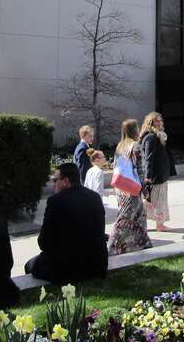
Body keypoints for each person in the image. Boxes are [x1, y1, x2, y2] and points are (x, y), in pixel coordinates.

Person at [24, 163, 107, 283]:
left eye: (55, 180)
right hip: (96, 264)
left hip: (67, 268)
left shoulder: (55, 201)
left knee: (30, 265)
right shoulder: (95, 197)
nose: (53, 185)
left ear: (65, 181)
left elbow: (44, 242)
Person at [108, 119, 152, 255]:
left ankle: (140, 244)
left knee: (137, 216)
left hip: (122, 187)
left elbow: (116, 168)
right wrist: (145, 191)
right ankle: (112, 247)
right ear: (134, 129)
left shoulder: (120, 146)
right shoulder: (136, 146)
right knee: (128, 218)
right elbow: (140, 170)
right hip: (132, 188)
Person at [140, 111, 176, 232]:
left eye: (161, 120)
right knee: (155, 202)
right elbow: (148, 158)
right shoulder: (151, 137)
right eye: (157, 121)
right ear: (150, 123)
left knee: (156, 201)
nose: (160, 123)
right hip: (156, 176)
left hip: (161, 175)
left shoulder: (159, 136)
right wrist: (148, 177)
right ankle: (159, 225)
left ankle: (157, 224)